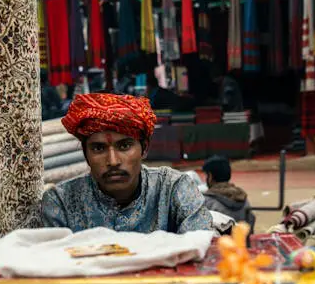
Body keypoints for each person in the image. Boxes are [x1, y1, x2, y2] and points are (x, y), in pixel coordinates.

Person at [41, 93, 217, 234]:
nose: (113, 161)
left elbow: (202, 246)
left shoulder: (173, 188)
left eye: (124, 146)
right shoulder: (61, 203)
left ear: (145, 148)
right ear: (86, 155)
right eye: (98, 148)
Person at [201, 155, 255, 231]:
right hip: (243, 241)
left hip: (220, 242)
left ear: (210, 176)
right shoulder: (243, 197)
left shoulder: (207, 202)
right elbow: (251, 223)